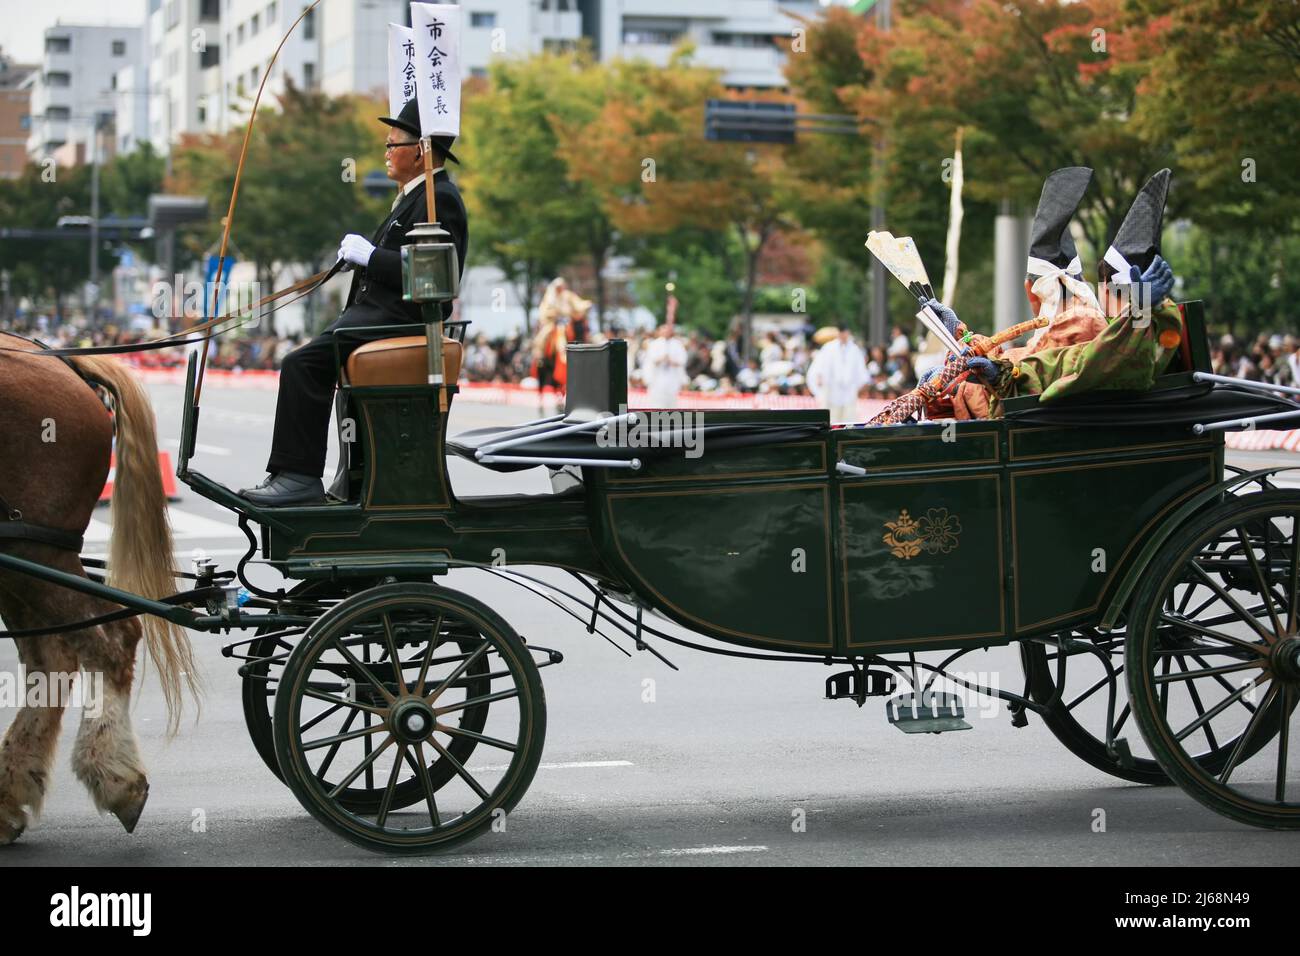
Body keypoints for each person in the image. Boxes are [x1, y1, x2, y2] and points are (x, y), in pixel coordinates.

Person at [239, 97, 468, 505]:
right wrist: (359, 263)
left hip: (399, 321)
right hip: (373, 317)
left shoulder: (440, 197)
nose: (386, 152)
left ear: (420, 151)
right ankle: (310, 475)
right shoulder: (413, 196)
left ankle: (298, 477)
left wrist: (371, 257)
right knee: (305, 362)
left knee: (301, 365)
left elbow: (437, 278)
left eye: (392, 144)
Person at [807, 324, 869, 423]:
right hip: (831, 389)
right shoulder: (829, 347)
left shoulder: (854, 349)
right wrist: (819, 377)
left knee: (849, 419)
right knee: (831, 419)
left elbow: (860, 369)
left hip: (849, 390)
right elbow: (820, 365)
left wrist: (863, 383)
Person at [642, 321, 689, 407]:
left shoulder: (677, 344)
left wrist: (672, 360)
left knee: (672, 405)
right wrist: (662, 358)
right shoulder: (654, 344)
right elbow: (651, 360)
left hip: (672, 380)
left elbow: (682, 360)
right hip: (657, 380)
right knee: (657, 404)